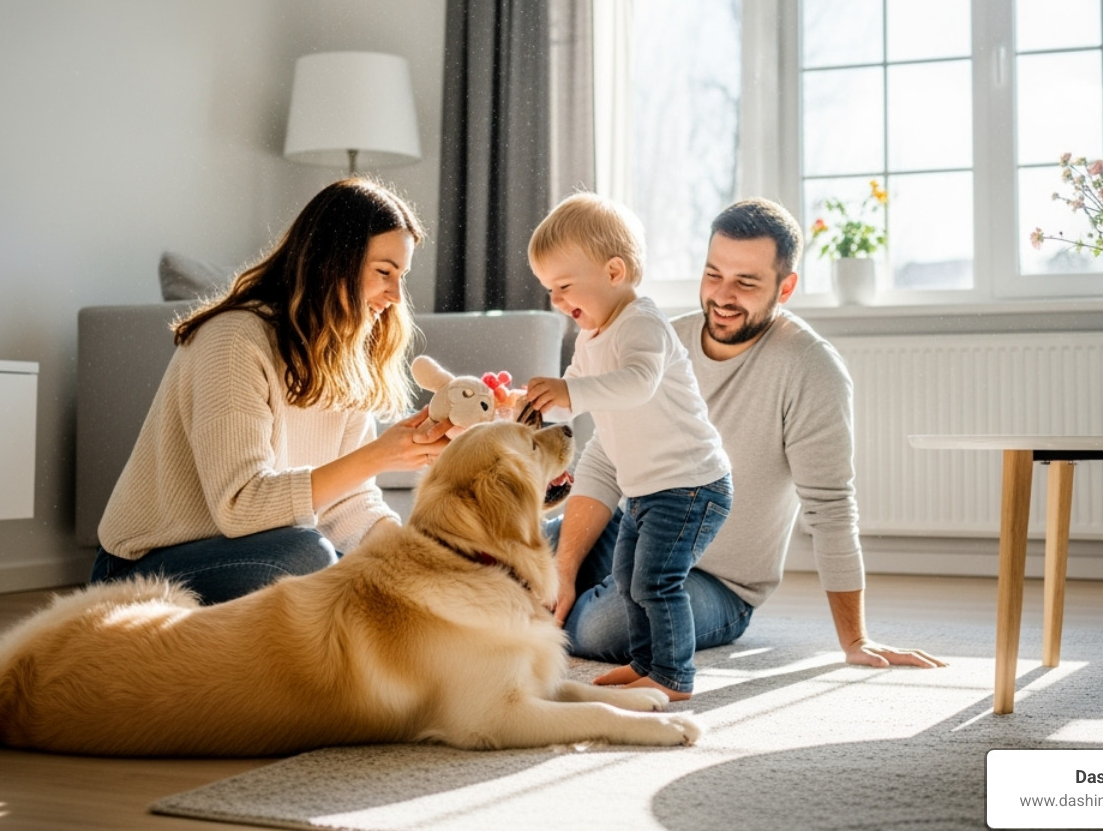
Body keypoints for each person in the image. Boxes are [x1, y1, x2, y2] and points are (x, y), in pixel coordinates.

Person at [549, 198, 943, 671]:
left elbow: (831, 508)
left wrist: (855, 640)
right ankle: (541, 603)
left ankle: (531, 617)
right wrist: (564, 568)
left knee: (605, 628)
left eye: (746, 282)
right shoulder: (658, 337)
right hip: (634, 528)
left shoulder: (811, 368)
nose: (722, 295)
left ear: (786, 287)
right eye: (714, 274)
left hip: (718, 580)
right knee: (495, 548)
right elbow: (604, 460)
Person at [90, 177, 453, 604]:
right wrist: (379, 455)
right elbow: (240, 507)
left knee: (382, 572)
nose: (395, 295)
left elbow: (347, 503)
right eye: (383, 272)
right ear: (333, 260)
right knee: (307, 556)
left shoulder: (345, 356)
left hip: (253, 555)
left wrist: (425, 560)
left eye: (401, 277)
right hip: (144, 571)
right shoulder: (234, 340)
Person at [523, 193, 733, 701]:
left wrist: (570, 391)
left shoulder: (642, 323)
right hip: (645, 489)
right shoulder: (590, 334)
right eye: (549, 289)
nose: (556, 300)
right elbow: (570, 395)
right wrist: (528, 403)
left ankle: (674, 676)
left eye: (564, 286)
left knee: (656, 582)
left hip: (690, 486)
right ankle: (647, 664)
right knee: (627, 577)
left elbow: (637, 382)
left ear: (614, 271)